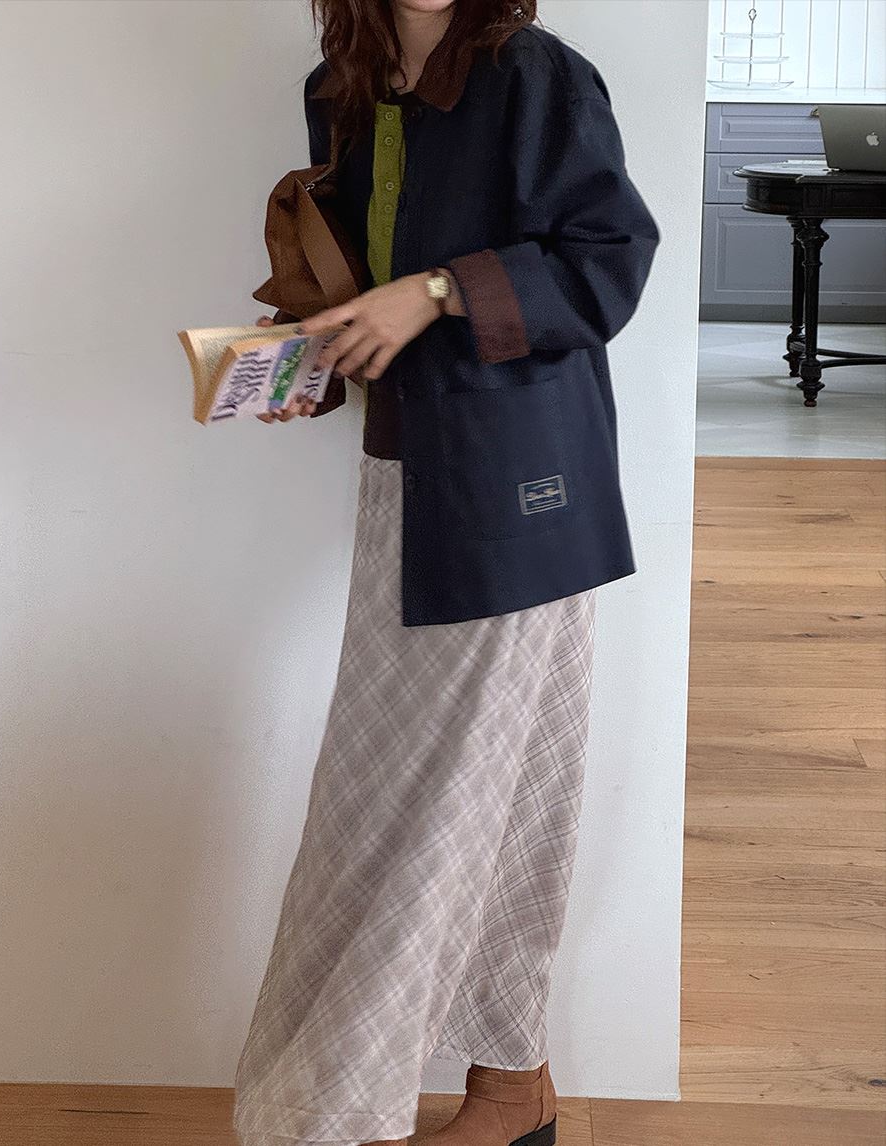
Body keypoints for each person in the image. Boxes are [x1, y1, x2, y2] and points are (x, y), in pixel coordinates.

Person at [233, 2, 660, 1145]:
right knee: (482, 791)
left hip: (520, 478)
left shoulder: (534, 75)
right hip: (410, 466)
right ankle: (511, 1089)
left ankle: (337, 1109)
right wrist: (307, 362)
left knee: (435, 798)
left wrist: (432, 292)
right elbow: (350, 276)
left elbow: (609, 261)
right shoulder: (342, 86)